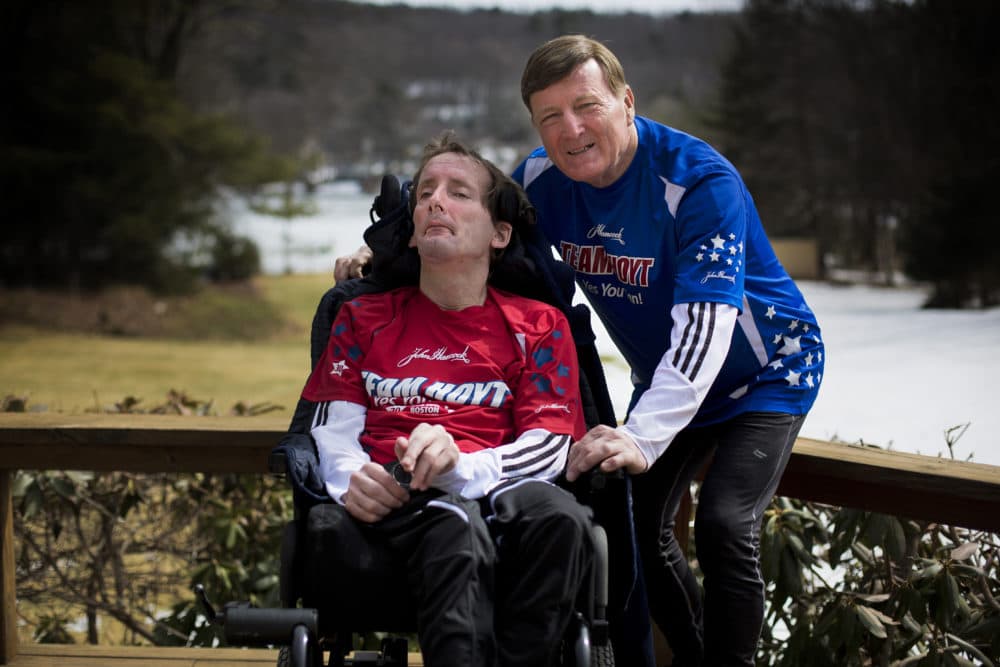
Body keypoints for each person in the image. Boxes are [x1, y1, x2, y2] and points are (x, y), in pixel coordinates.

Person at [510, 35, 826, 667]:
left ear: (627, 103)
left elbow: (705, 326)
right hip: (667, 377)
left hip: (765, 372)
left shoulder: (699, 181)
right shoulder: (539, 182)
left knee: (723, 524)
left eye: (586, 105)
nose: (570, 130)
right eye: (550, 116)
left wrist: (644, 437)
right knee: (632, 527)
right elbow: (465, 216)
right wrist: (385, 256)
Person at [302, 133, 594, 667]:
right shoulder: (361, 317)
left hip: (500, 479)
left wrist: (460, 467)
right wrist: (349, 478)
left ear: (499, 233)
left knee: (563, 520)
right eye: (426, 193)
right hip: (395, 489)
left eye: (459, 193)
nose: (436, 200)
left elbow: (550, 446)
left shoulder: (540, 325)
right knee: (452, 523)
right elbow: (330, 428)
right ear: (412, 233)